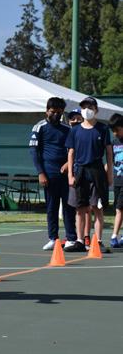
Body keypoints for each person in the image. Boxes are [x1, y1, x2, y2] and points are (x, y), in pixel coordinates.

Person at [65, 96, 113, 252]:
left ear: (96, 110)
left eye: (90, 107)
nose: (87, 110)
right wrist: (70, 175)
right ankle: (79, 240)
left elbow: (109, 153)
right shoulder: (75, 130)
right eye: (84, 107)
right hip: (80, 172)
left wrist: (109, 174)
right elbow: (71, 153)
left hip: (97, 172)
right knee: (80, 208)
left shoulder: (103, 129)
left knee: (97, 207)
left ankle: (97, 241)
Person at [29, 97, 76, 250]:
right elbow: (34, 152)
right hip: (49, 174)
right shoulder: (39, 127)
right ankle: (53, 238)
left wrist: (68, 164)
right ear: (46, 111)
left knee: (69, 207)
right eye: (52, 111)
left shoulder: (67, 128)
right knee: (51, 207)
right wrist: (41, 173)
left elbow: (74, 150)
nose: (55, 114)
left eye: (59, 112)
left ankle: (71, 238)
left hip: (67, 174)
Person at [67, 108, 92, 248]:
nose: (75, 120)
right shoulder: (69, 133)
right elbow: (69, 153)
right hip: (73, 174)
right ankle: (76, 237)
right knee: (75, 207)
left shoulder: (86, 133)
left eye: (78, 118)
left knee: (86, 207)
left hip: (85, 173)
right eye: (73, 118)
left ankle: (86, 237)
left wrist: (67, 165)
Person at [108, 113, 123, 248]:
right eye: (113, 131)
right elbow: (110, 162)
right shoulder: (114, 143)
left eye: (117, 130)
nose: (115, 133)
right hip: (117, 181)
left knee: (119, 209)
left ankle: (114, 236)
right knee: (119, 209)